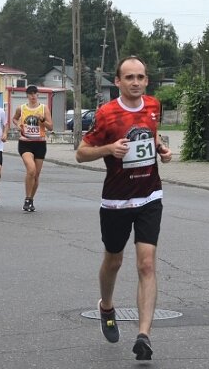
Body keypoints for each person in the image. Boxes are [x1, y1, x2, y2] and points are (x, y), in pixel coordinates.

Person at [75, 56, 172, 361]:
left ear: (146, 81)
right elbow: (81, 153)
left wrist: (161, 149)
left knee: (146, 263)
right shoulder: (106, 114)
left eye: (140, 77)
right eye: (129, 77)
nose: (135, 82)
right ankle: (106, 305)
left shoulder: (154, 106)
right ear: (117, 81)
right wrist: (108, 149)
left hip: (149, 196)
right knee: (114, 261)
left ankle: (144, 335)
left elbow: (151, 136)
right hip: (116, 200)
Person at [12, 85, 53, 212]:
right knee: (31, 169)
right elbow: (14, 118)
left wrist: (42, 121)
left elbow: (50, 127)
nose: (33, 96)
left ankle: (30, 199)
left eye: (35, 93)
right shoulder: (22, 108)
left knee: (36, 174)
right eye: (30, 94)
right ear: (27, 96)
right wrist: (18, 125)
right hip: (25, 143)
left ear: (38, 95)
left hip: (40, 143)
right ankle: (27, 198)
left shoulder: (43, 108)